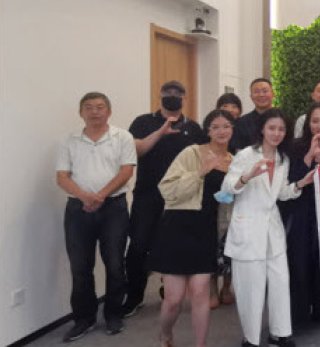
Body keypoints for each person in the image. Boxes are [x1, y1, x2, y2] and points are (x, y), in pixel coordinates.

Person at [222, 108, 314, 347]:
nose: (276, 133)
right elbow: (227, 188)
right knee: (251, 289)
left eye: (281, 129)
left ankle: (279, 333)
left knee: (280, 282)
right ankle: (250, 339)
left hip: (273, 230)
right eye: (272, 128)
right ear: (262, 129)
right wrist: (246, 176)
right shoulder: (246, 155)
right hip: (248, 228)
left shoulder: (283, 159)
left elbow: (281, 194)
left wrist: (300, 184)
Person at [149, 110, 234, 347]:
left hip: (207, 230)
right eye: (215, 126)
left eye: (226, 126)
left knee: (200, 293)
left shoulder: (233, 161)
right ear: (208, 130)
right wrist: (200, 172)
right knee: (174, 299)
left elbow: (230, 198)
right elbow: (167, 190)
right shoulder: (192, 153)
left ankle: (200, 344)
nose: (221, 131)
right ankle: (166, 334)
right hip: (177, 227)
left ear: (232, 129)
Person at [56, 92, 136, 342]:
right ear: (81, 112)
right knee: (80, 266)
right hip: (77, 209)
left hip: (113, 208)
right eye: (89, 107)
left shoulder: (122, 137)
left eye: (100, 107)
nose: (94, 111)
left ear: (108, 112)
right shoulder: (69, 140)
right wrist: (85, 197)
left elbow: (126, 171)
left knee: (115, 263)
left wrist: (100, 195)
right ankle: (84, 318)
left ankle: (113, 314)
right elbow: (62, 177)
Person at [124, 81, 207, 316]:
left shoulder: (194, 128)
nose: (172, 96)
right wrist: (160, 132)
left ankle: (169, 292)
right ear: (159, 96)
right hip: (147, 194)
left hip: (181, 198)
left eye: (177, 93)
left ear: (184, 98)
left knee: (174, 245)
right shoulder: (142, 122)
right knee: (138, 245)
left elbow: (201, 159)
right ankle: (134, 297)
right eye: (167, 93)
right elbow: (135, 151)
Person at [282, 102, 320, 328]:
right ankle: (298, 313)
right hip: (301, 210)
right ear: (307, 123)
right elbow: (291, 179)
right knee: (300, 259)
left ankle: (319, 309)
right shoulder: (295, 146)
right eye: (315, 121)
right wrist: (309, 155)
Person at [213, 93, 243, 308]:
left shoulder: (240, 141)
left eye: (234, 106)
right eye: (225, 105)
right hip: (210, 200)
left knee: (230, 242)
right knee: (212, 243)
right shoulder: (204, 145)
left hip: (234, 199)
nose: (222, 130)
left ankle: (226, 287)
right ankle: (212, 289)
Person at [232, 78, 276, 152]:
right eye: (256, 92)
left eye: (265, 91)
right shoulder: (241, 123)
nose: (261, 95)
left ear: (273, 94)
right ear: (251, 97)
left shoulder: (283, 121)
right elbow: (238, 151)